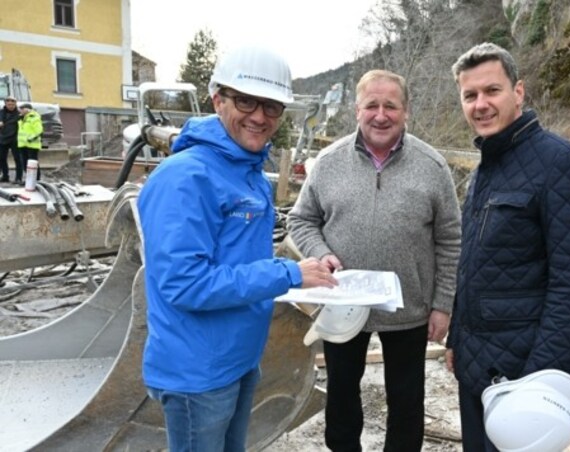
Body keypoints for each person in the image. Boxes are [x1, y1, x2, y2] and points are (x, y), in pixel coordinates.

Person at [136, 44, 338, 452]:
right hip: (197, 371)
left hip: (238, 358)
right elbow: (186, 283)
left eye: (272, 106)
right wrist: (289, 273)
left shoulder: (247, 173)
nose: (260, 116)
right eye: (246, 101)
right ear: (217, 99)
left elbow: (240, 261)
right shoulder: (186, 178)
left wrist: (299, 269)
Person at [288, 69, 461, 451]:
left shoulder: (432, 167)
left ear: (406, 112)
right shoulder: (329, 163)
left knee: (406, 400)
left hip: (411, 309)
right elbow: (300, 220)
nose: (380, 115)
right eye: (372, 105)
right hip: (343, 303)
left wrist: (442, 305)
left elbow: (451, 240)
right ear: (357, 110)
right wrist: (320, 252)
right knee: (342, 395)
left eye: (390, 106)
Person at [445, 42, 570, 451]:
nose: (480, 104)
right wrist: (456, 342)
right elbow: (474, 265)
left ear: (518, 92)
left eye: (491, 91)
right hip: (477, 368)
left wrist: (539, 383)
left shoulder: (563, 163)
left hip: (522, 377)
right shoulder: (486, 168)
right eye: (470, 95)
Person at [16, 102, 42, 183]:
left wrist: (30, 139)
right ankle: (29, 180)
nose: (20, 111)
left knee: (33, 164)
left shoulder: (34, 118)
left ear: (27, 110)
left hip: (32, 145)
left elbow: (39, 130)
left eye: (22, 109)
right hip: (23, 145)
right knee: (25, 164)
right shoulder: (22, 119)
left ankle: (36, 180)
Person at [0, 96, 22, 184]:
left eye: (12, 104)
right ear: (5, 104)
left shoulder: (19, 114)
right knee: (1, 158)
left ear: (15, 104)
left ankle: (18, 177)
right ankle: (5, 176)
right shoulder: (1, 113)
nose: (10, 105)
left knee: (17, 159)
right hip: (2, 138)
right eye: (8, 104)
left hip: (15, 139)